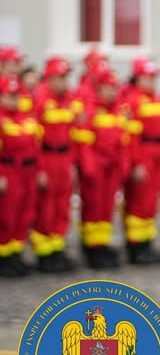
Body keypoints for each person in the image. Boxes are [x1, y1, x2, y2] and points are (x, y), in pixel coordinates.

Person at [31, 56, 82, 273]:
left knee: (62, 205)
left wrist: (72, 164)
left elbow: (73, 134)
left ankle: (57, 248)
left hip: (64, 158)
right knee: (46, 207)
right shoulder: (40, 100)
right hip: (48, 157)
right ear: (50, 78)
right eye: (61, 78)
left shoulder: (68, 100)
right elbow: (34, 140)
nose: (65, 82)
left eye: (66, 77)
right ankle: (44, 253)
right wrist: (40, 169)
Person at [75, 69, 128, 269]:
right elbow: (85, 143)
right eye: (108, 88)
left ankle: (102, 243)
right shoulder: (90, 110)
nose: (112, 92)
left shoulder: (118, 111)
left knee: (107, 207)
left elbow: (123, 141)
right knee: (94, 207)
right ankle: (93, 247)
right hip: (96, 168)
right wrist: (88, 167)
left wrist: (123, 165)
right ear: (99, 89)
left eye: (114, 88)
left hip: (111, 169)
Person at [121, 57, 160, 265]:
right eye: (148, 77)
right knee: (139, 202)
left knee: (151, 202)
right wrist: (137, 163)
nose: (152, 81)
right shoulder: (132, 101)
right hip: (144, 154)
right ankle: (136, 246)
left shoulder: (157, 99)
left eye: (154, 77)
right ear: (138, 78)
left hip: (158, 154)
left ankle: (147, 242)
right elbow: (131, 138)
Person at [0, 76, 41, 277]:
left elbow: (35, 146)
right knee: (6, 215)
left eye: (16, 96)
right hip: (9, 171)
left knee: (24, 214)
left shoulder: (26, 118)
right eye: (9, 96)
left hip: (28, 172)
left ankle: (15, 253)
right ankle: (3, 257)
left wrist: (40, 170)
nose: (13, 100)